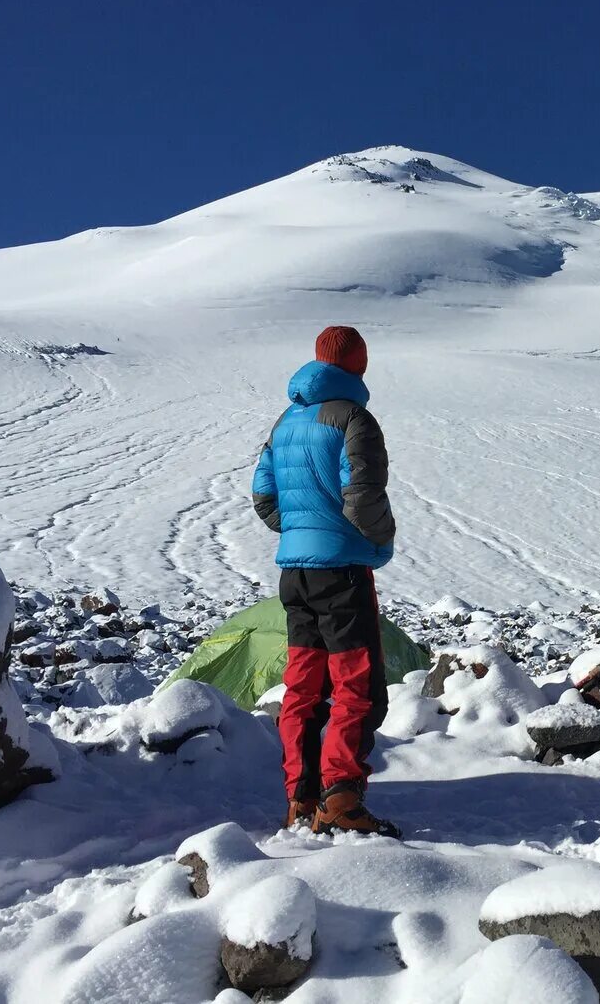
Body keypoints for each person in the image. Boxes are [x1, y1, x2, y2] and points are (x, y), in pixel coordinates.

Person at [252, 325, 400, 838]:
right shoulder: (354, 418)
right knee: (357, 687)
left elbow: (264, 495)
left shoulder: (285, 421)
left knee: (304, 686)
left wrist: (299, 531)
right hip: (342, 572)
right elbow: (362, 493)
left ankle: (301, 798)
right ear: (358, 364)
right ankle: (340, 799)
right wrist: (377, 544)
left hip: (295, 573)